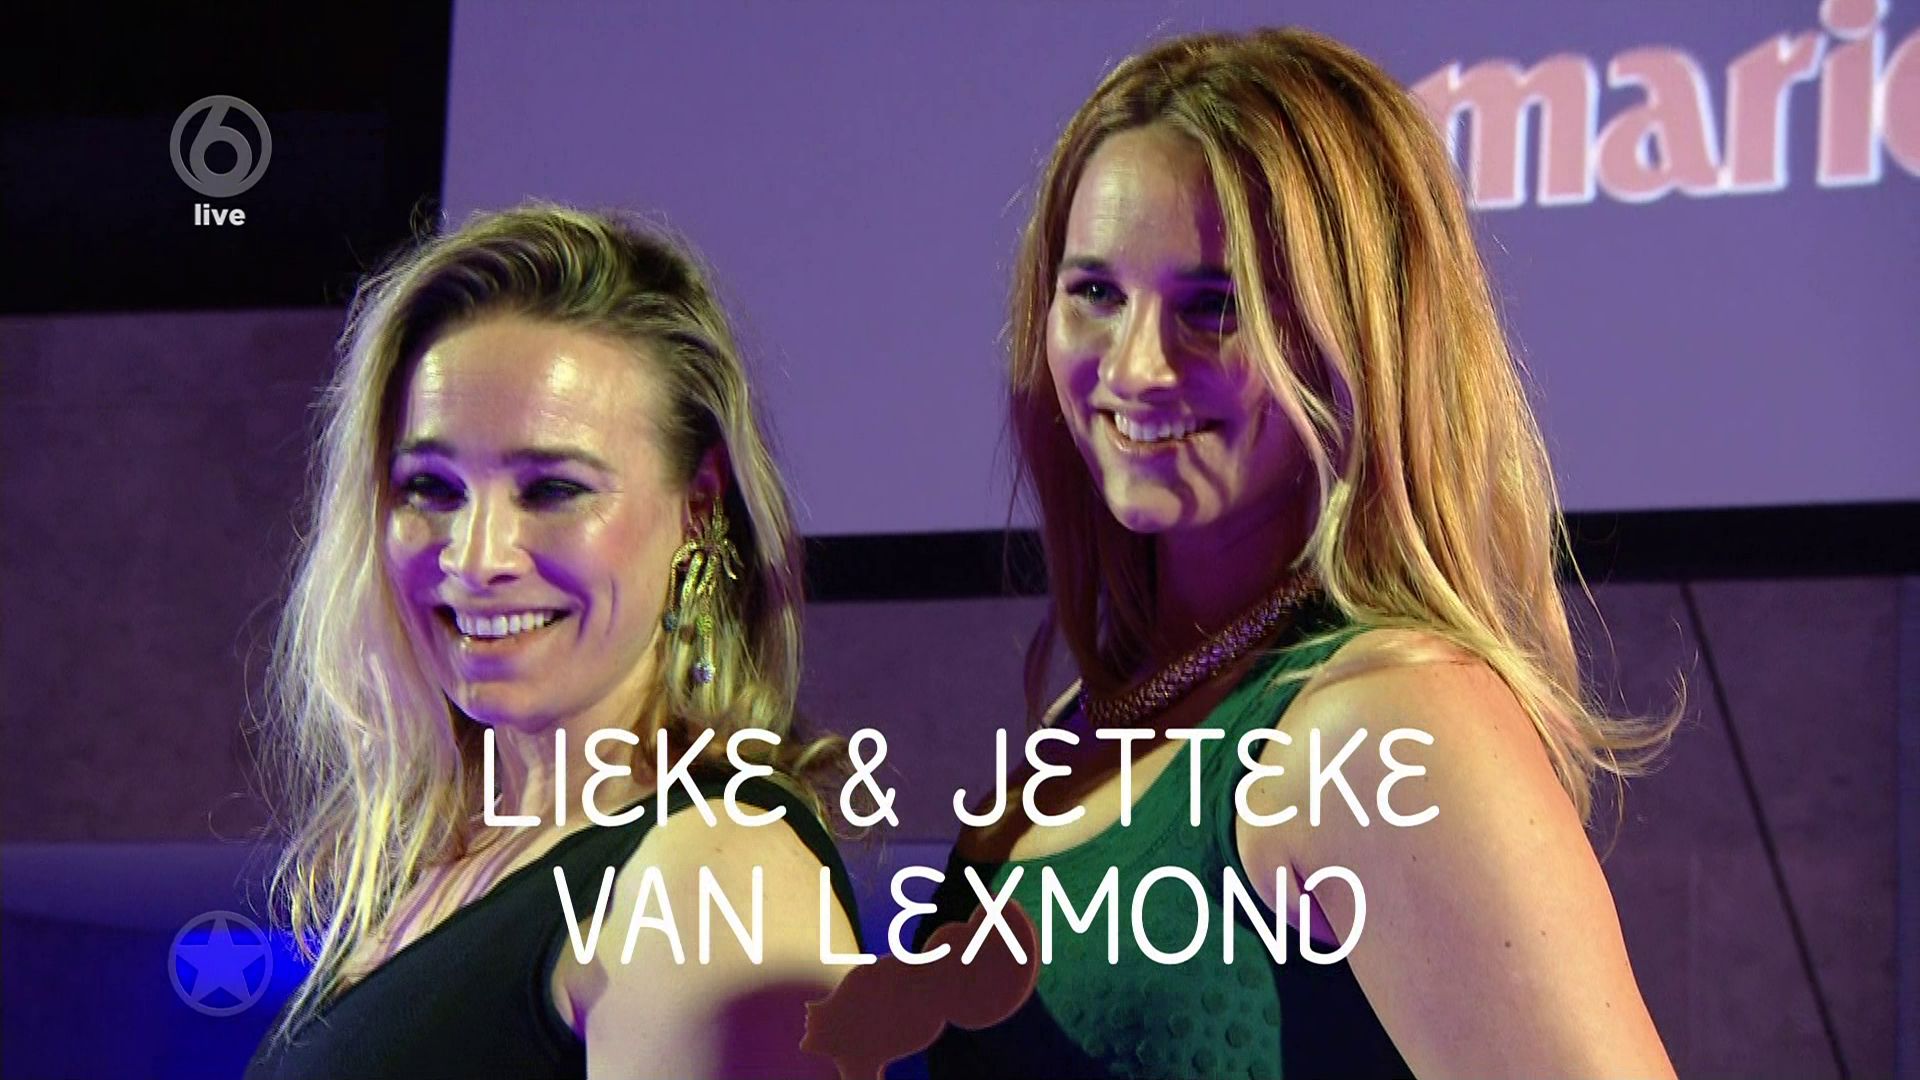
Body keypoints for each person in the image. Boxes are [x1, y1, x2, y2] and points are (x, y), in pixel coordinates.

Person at [915, 27, 1681, 1079]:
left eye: (1215, 307)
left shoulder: (1382, 722)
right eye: (1095, 293)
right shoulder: (1106, 705)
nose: (1136, 368)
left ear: (1358, 338)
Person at [245, 204, 860, 1079]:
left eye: (553, 490)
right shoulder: (455, 868)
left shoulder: (715, 874)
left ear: (698, 509)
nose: (475, 557)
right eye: (432, 488)